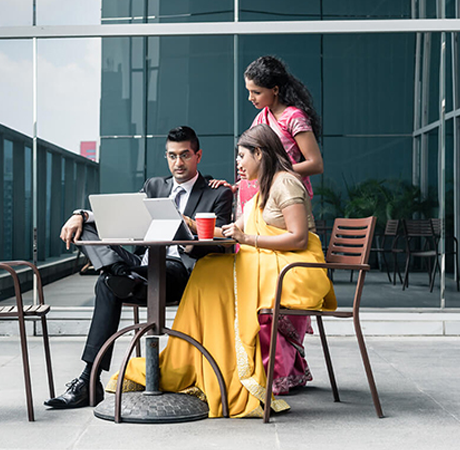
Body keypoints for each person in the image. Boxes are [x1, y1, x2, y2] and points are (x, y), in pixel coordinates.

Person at [109, 124, 336, 418]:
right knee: (206, 269)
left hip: (293, 267)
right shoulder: (261, 190)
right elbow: (229, 231)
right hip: (268, 261)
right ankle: (197, 361)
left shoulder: (286, 183)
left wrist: (249, 239)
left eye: (242, 156)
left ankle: (219, 367)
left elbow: (299, 239)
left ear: (259, 153)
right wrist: (189, 224)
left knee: (212, 275)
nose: (238, 163)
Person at [44, 126, 233, 409]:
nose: (178, 163)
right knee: (89, 229)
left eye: (184, 155)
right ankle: (119, 272)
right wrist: (79, 215)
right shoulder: (154, 186)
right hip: (141, 265)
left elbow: (221, 242)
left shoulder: (216, 193)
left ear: (198, 156)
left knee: (105, 284)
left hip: (177, 270)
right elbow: (121, 214)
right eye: (172, 156)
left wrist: (188, 230)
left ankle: (88, 380)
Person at [213, 55, 325, 395]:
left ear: (275, 90)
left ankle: (279, 370)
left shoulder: (294, 118)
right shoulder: (261, 117)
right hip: (255, 204)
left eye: (256, 92)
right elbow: (256, 158)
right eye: (249, 91)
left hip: (283, 205)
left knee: (268, 288)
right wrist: (240, 184)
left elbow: (315, 163)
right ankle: (255, 367)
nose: (251, 98)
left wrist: (274, 174)